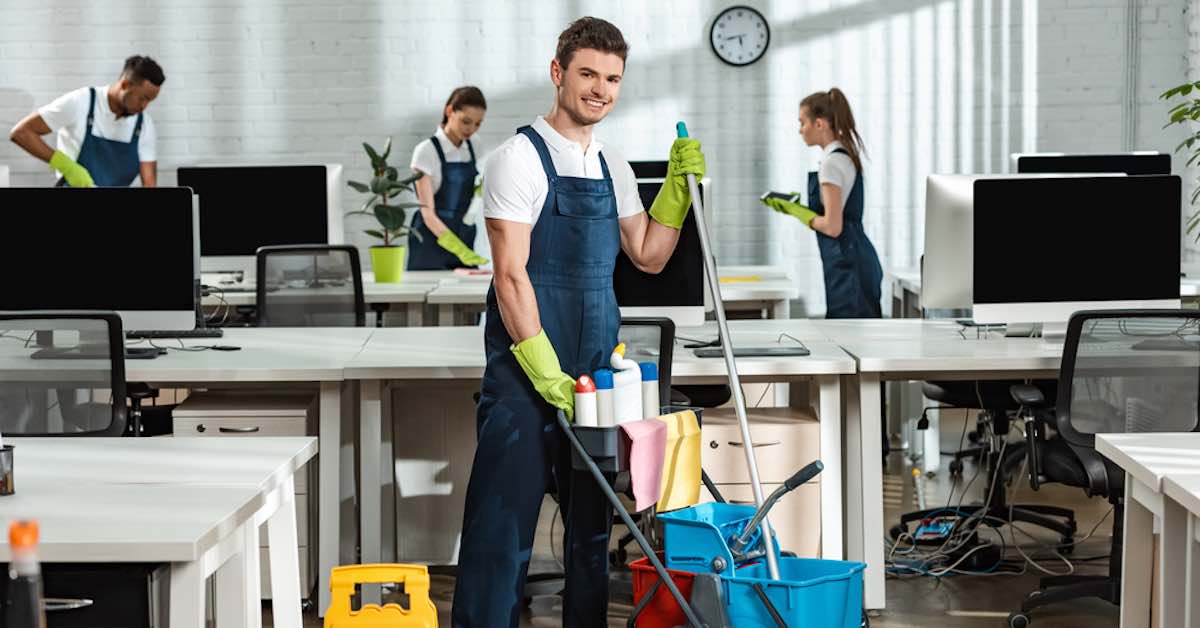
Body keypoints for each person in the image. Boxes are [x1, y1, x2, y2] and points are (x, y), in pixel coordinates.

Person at [451, 16, 705, 628]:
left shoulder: (613, 166)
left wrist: (673, 188)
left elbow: (648, 253)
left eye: (612, 78)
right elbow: (511, 277)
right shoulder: (517, 160)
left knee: (591, 530)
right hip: (526, 367)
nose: (600, 89)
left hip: (595, 366)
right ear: (558, 72)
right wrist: (541, 369)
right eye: (588, 73)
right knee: (501, 527)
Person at [762, 88, 883, 318]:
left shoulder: (831, 164)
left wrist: (798, 213)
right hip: (854, 258)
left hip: (848, 266)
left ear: (820, 124)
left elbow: (832, 226)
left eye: (802, 122)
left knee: (848, 336)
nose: (800, 130)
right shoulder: (843, 155)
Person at [9, 55, 165, 188]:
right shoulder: (81, 102)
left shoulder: (144, 124)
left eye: (150, 101)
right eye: (143, 98)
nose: (144, 106)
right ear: (124, 85)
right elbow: (21, 132)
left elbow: (149, 185)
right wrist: (68, 167)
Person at [408, 86, 491, 270]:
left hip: (463, 234)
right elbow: (427, 214)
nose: (471, 129)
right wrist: (459, 250)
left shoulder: (474, 145)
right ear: (449, 111)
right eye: (466, 121)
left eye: (478, 124)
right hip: (429, 241)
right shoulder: (426, 151)